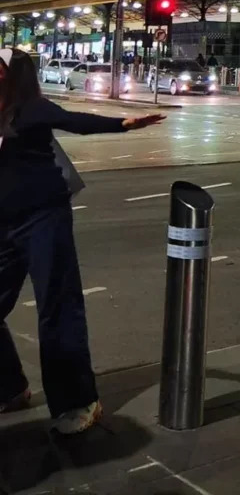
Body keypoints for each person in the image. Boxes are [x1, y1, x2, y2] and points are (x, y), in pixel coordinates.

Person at [0, 49, 163, 434]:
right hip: (4, 223)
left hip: (43, 217)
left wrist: (123, 123)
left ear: (14, 75)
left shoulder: (31, 109)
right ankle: (10, 387)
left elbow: (75, 121)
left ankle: (79, 402)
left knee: (56, 307)